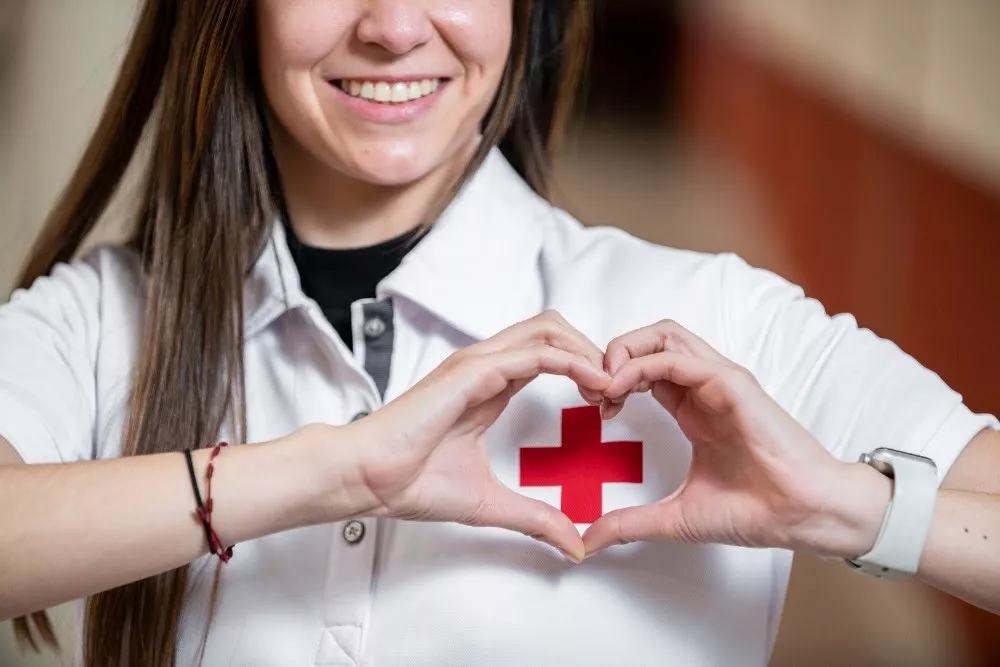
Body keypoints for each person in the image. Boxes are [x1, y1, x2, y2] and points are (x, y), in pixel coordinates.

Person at [1, 1, 997, 665]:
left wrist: (846, 509)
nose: (393, 28)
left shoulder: (716, 326)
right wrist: (327, 473)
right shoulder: (108, 319)